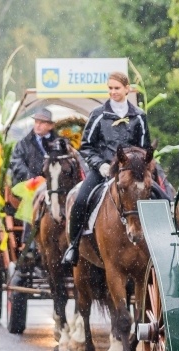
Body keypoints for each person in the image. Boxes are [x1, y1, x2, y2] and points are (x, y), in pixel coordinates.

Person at [62, 71, 152, 266]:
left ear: (127, 89)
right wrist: (100, 164)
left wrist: (138, 166)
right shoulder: (98, 115)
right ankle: (74, 246)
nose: (113, 92)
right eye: (110, 88)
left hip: (131, 172)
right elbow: (86, 146)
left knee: (164, 196)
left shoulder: (139, 116)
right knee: (80, 201)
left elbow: (145, 148)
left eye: (117, 88)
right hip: (102, 169)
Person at [9, 108, 58, 190]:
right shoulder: (23, 144)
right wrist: (33, 179)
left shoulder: (59, 143)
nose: (38, 125)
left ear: (50, 126)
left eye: (42, 122)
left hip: (54, 186)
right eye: (36, 122)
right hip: (29, 187)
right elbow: (17, 164)